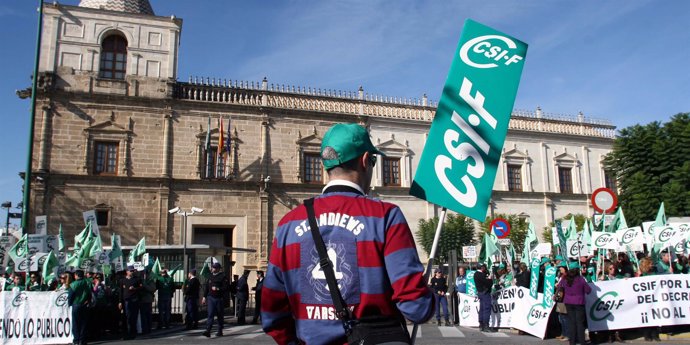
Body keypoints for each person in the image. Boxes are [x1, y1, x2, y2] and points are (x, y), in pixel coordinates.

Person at [261, 123, 434, 345]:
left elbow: (271, 311)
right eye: (373, 161)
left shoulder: (287, 225)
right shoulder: (386, 217)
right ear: (365, 161)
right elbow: (416, 307)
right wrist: (430, 299)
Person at [557, 263, 592, 345]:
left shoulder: (565, 279)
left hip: (568, 302)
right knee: (580, 323)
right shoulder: (580, 279)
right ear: (577, 270)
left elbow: (559, 288)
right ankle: (582, 342)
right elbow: (588, 290)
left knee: (571, 323)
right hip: (579, 302)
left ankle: (572, 342)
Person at [202, 262, 229, 337]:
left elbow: (226, 288)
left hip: (219, 298)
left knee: (219, 315)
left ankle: (220, 330)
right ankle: (208, 330)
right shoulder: (210, 276)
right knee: (210, 314)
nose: (212, 269)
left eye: (214, 268)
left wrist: (218, 288)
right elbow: (207, 287)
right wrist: (204, 297)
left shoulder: (223, 277)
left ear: (218, 269)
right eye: (212, 267)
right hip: (211, 298)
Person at [68, 270, 93, 345]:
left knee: (75, 324)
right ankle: (82, 340)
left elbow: (71, 296)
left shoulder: (73, 284)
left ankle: (76, 340)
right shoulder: (87, 282)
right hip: (85, 305)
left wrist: (69, 304)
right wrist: (88, 300)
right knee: (83, 323)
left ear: (76, 275)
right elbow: (90, 293)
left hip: (76, 304)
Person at [119, 265, 142, 340]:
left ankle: (132, 333)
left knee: (133, 317)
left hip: (134, 300)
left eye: (133, 271)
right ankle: (126, 334)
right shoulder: (122, 280)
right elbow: (121, 291)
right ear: (127, 271)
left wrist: (135, 288)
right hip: (126, 300)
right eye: (130, 271)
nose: (132, 272)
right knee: (126, 317)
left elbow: (141, 288)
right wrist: (120, 302)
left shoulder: (137, 279)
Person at [474, 263, 495, 332]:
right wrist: (490, 279)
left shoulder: (476, 274)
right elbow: (488, 283)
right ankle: (486, 325)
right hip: (485, 292)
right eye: (483, 267)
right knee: (486, 308)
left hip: (480, 292)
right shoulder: (481, 275)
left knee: (482, 308)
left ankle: (481, 324)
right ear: (481, 267)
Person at [140, 269, 156, 334]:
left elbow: (152, 289)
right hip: (141, 300)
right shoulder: (140, 280)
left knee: (148, 315)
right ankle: (144, 328)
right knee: (143, 316)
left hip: (148, 300)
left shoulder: (150, 281)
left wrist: (144, 285)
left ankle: (148, 328)